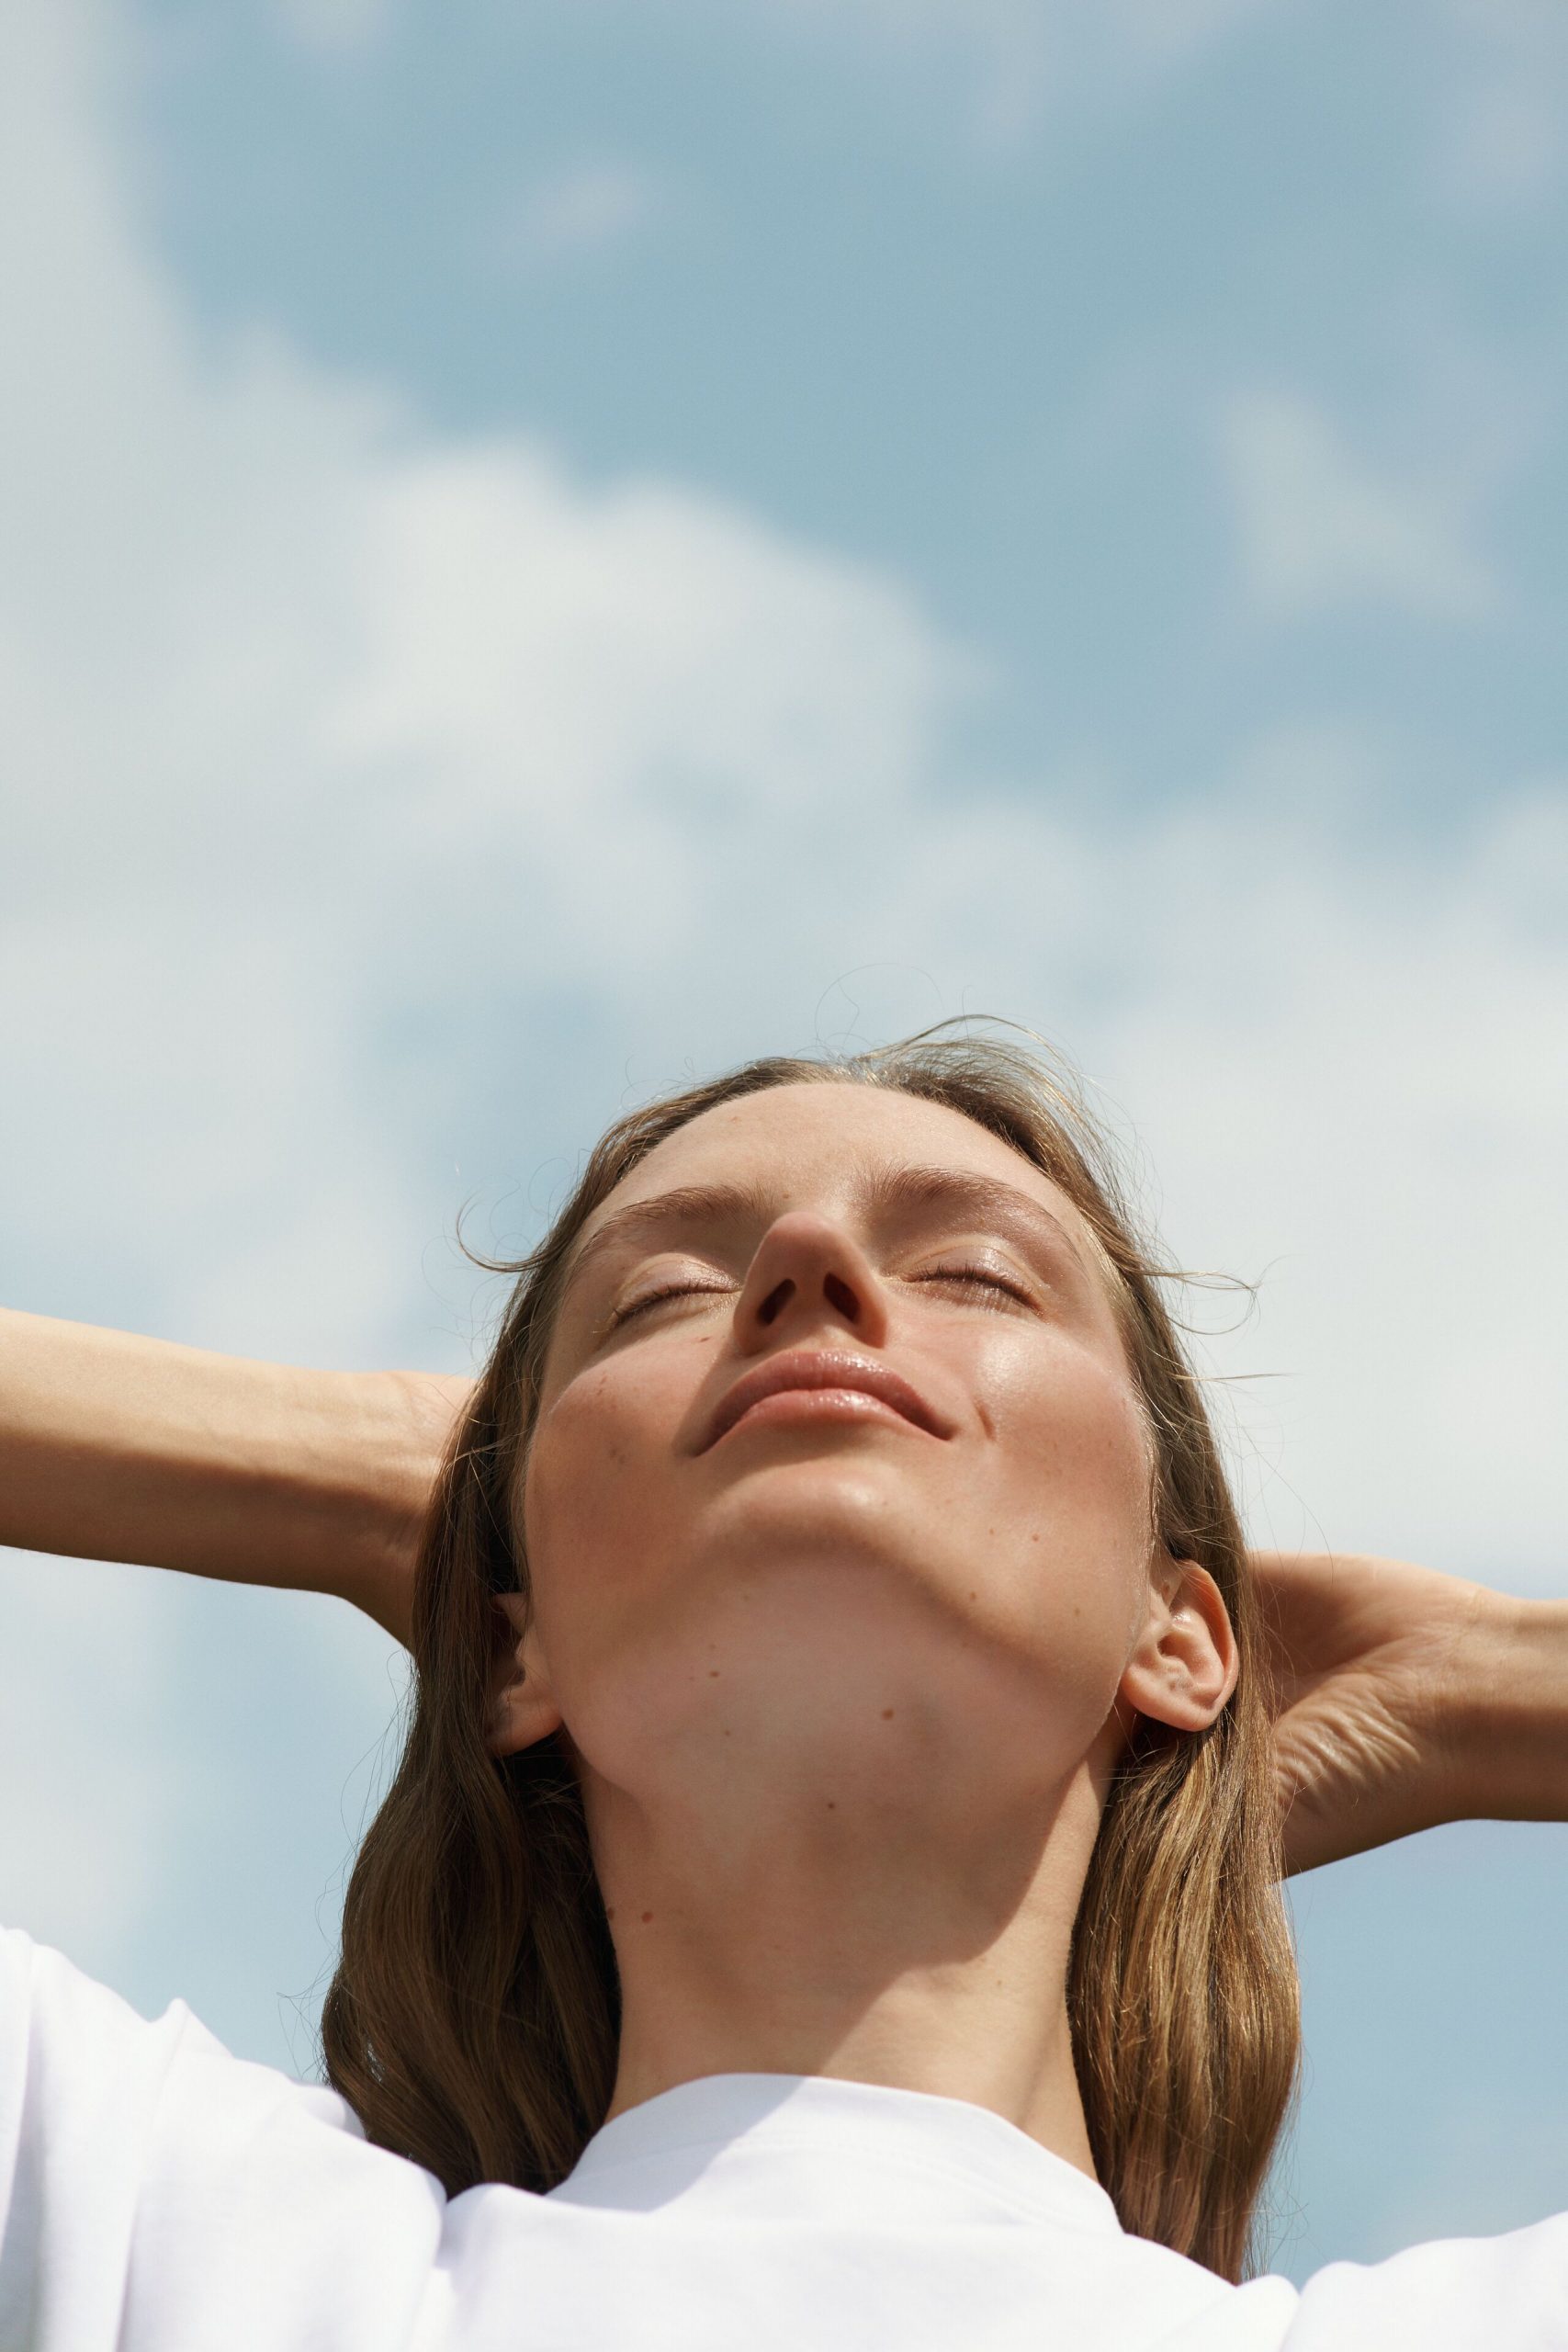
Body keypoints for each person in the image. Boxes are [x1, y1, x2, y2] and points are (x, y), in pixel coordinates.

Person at [2, 1028, 1564, 2350]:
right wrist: (376, 1477)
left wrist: (1491, 1687)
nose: (809, 1267)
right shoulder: (184, 2244)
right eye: (666, 1297)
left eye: (977, 1273)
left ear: (1183, 1634)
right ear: (509, 1652)